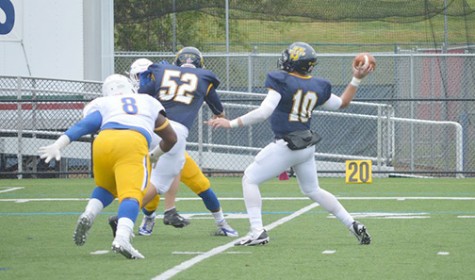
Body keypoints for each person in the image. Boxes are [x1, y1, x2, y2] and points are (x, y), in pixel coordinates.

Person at [206, 42, 373, 246]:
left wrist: (230, 123)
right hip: (306, 145)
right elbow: (342, 103)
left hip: (286, 145)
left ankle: (257, 231)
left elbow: (263, 112)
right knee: (312, 190)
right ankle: (352, 224)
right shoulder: (317, 85)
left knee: (249, 178)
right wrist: (356, 78)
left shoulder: (282, 80)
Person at [38, 74, 177, 259]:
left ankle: (89, 213)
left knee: (106, 188)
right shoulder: (147, 100)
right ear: (131, 87)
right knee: (132, 194)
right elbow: (171, 138)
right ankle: (122, 238)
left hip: (103, 141)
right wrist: (154, 155)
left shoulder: (103, 102)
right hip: (132, 140)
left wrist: (59, 144)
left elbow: (86, 125)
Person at [109, 48, 238, 238]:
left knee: (170, 171)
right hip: (174, 134)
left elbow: (142, 98)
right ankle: (125, 216)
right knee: (160, 184)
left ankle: (167, 210)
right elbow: (218, 110)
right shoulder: (204, 78)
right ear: (200, 64)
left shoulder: (161, 73)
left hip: (153, 129)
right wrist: (219, 117)